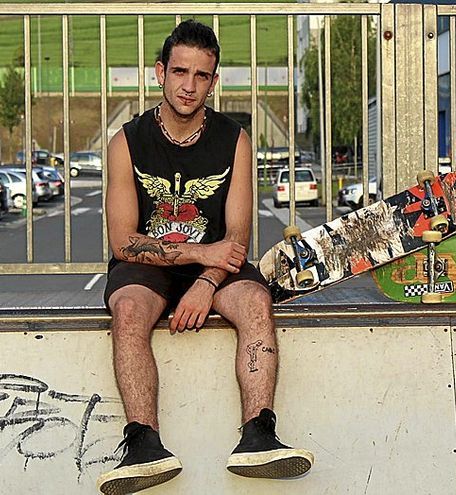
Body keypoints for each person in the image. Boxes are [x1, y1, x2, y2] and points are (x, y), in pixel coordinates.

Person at [97, 20, 313, 494]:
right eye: (179, 72)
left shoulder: (234, 139)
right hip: (146, 266)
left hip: (217, 267)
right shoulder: (126, 143)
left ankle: (259, 433)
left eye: (201, 75)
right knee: (129, 310)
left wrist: (206, 279)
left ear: (213, 81)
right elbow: (124, 242)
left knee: (257, 302)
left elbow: (235, 237)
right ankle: (142, 443)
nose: (188, 86)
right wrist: (200, 252)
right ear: (160, 72)